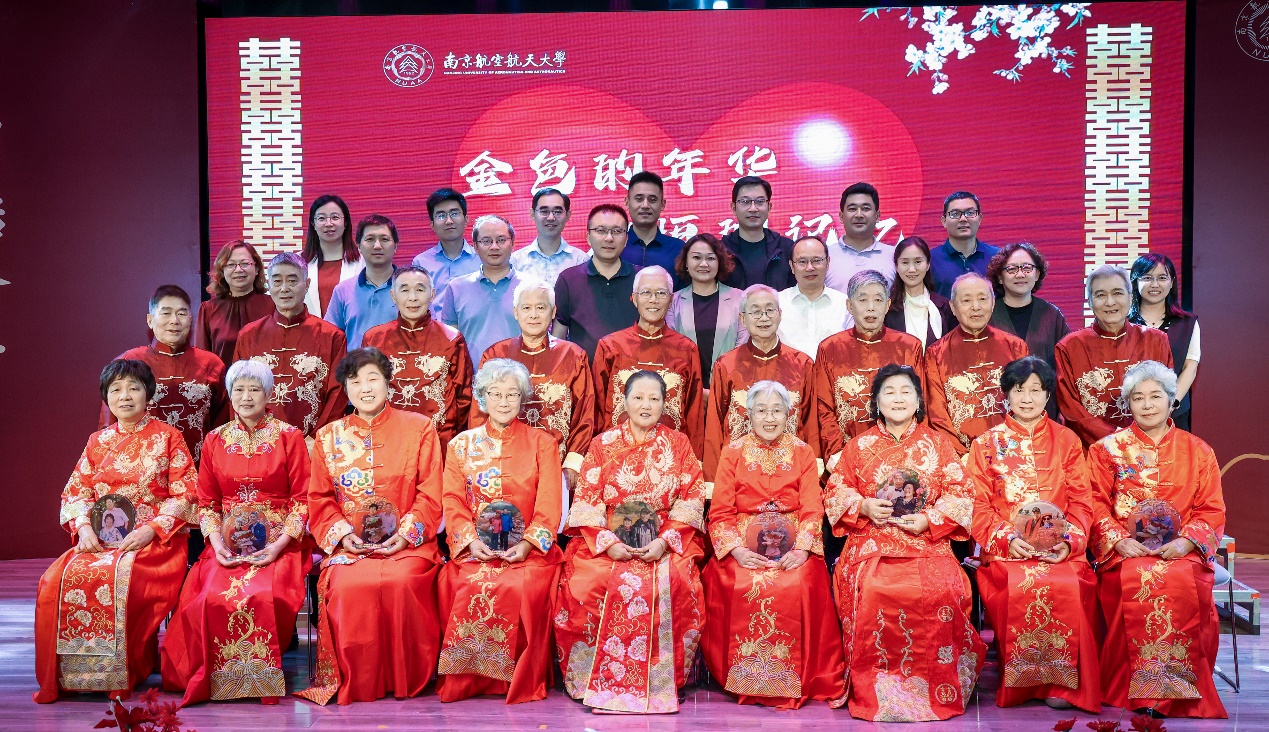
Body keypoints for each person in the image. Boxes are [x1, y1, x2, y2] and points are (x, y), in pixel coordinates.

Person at [824, 364, 984, 721]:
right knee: (874, 589)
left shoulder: (938, 444)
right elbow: (835, 491)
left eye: (905, 391)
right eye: (889, 392)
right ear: (877, 401)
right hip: (872, 539)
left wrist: (930, 519)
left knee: (942, 588)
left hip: (927, 541)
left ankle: (938, 685)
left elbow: (962, 492)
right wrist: (863, 506)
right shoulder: (858, 446)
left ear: (918, 400)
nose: (898, 399)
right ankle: (877, 687)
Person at [34, 360, 197, 703]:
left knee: (125, 580)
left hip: (153, 543)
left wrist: (152, 529)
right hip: (100, 540)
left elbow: (187, 494)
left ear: (148, 394)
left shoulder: (169, 437)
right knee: (53, 581)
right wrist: (83, 527)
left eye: (133, 388)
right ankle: (71, 677)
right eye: (116, 390)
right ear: (106, 397)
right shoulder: (97, 441)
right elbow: (76, 492)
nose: (125, 396)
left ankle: (128, 669)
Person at [299, 348, 445, 705]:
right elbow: (319, 499)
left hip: (408, 546)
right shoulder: (328, 437)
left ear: (388, 383)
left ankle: (406, 678)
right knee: (350, 587)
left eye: (372, 379)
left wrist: (406, 535)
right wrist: (344, 536)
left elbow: (431, 493)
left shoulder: (420, 428)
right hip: (352, 548)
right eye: (355, 381)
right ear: (346, 389)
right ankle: (360, 681)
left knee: (401, 582)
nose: (365, 388)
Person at [555, 371, 707, 713]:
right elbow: (587, 500)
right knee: (587, 581)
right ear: (624, 401)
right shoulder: (602, 444)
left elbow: (692, 498)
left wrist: (664, 542)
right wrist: (608, 542)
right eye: (638, 397)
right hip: (608, 539)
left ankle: (665, 678)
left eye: (654, 398)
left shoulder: (679, 443)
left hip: (665, 537)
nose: (645, 405)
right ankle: (589, 678)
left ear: (665, 404)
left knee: (678, 579)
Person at [161, 360, 311, 706]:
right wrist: (216, 545)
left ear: (268, 394)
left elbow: (303, 501)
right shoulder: (215, 440)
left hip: (279, 541)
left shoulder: (289, 437)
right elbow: (207, 504)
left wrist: (278, 546)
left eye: (254, 389)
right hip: (227, 542)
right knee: (208, 596)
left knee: (261, 593)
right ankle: (218, 677)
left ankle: (257, 677)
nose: (246, 397)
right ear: (229, 394)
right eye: (239, 389)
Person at [1087, 361, 1227, 718]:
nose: (1147, 405)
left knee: (1180, 579)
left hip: (1181, 551)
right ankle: (1135, 688)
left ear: (1171, 400)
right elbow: (1093, 504)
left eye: (1155, 396)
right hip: (1126, 551)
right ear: (1127, 404)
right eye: (1138, 398)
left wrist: (1187, 542)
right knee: (1134, 577)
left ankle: (1175, 689)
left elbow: (1211, 509)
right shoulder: (1105, 450)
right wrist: (1118, 540)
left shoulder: (1199, 450)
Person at [966, 357, 1100, 712]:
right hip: (1008, 550)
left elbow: (1082, 502)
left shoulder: (1067, 441)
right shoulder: (985, 444)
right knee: (1019, 582)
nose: (1027, 398)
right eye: (1019, 389)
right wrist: (1007, 539)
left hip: (1060, 549)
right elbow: (976, 505)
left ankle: (1062, 682)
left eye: (1036, 390)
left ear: (1048, 395)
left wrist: (1068, 543)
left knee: (1066, 582)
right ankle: (1025, 683)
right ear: (1006, 394)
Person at [702, 381, 845, 709]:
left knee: (802, 579)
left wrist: (802, 549)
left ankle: (800, 675)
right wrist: (737, 550)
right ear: (749, 414)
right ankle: (742, 674)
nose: (769, 418)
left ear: (788, 414)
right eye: (762, 411)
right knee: (731, 578)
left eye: (777, 410)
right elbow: (720, 511)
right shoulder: (733, 452)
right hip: (742, 542)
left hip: (793, 543)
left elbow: (812, 508)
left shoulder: (802, 452)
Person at [438, 359, 563, 703]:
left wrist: (527, 544)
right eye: (495, 393)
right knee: (459, 581)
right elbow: (452, 501)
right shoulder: (461, 445)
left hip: (528, 552)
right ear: (482, 397)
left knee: (519, 583)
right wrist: (469, 541)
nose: (504, 401)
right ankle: (470, 679)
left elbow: (549, 504)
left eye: (512, 394)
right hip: (476, 549)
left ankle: (511, 678)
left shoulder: (543, 443)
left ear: (522, 399)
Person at [471, 279, 595, 490]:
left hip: (557, 465)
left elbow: (585, 412)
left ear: (553, 312)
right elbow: (479, 411)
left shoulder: (573, 355)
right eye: (526, 308)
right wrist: (484, 457)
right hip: (502, 463)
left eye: (541, 307)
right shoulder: (496, 354)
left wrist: (573, 462)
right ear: (516, 312)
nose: (534, 315)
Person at [814, 270, 925, 471]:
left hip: (901, 458)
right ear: (849, 306)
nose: (871, 307)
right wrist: (837, 453)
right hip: (846, 457)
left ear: (888, 305)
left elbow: (920, 405)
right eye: (863, 300)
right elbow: (824, 409)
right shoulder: (829, 349)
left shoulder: (909, 347)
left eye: (878, 300)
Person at [104, 285, 227, 463]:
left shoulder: (211, 364)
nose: (174, 321)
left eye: (181, 313)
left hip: (197, 470)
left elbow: (222, 428)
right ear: (150, 320)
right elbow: (109, 427)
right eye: (166, 313)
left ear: (190, 319)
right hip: (140, 470)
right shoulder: (127, 363)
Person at [705, 285, 817, 482]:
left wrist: (811, 476)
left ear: (780, 315)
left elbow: (811, 425)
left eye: (770, 310)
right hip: (738, 474)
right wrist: (713, 481)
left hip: (789, 473)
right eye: (755, 312)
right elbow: (715, 426)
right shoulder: (726, 365)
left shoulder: (802, 364)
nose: (764, 318)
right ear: (742, 319)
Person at [592, 266, 706, 459]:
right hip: (617, 456)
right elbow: (596, 408)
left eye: (661, 293)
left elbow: (694, 414)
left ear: (671, 299)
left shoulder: (686, 349)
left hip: (670, 457)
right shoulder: (611, 346)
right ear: (634, 298)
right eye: (646, 293)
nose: (654, 300)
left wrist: (695, 460)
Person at [1056, 265, 1174, 447]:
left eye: (1118, 293)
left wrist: (1141, 439)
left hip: (1148, 447)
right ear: (1090, 302)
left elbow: (1166, 396)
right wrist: (1117, 439)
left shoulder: (1156, 340)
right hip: (1091, 451)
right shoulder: (1069, 347)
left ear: (1131, 297)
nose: (1110, 302)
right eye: (1100, 295)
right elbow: (1071, 408)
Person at [233, 252, 348, 438]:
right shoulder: (249, 335)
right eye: (277, 281)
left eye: (292, 281)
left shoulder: (332, 336)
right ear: (268, 285)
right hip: (259, 442)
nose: (284, 288)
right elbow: (237, 390)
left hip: (311, 443)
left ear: (307, 285)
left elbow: (338, 393)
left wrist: (317, 438)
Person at [362, 265, 472, 449]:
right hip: (387, 440)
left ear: (432, 294)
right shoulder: (374, 339)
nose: (412, 297)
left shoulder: (451, 338)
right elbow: (365, 391)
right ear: (393, 296)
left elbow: (464, 395)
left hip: (439, 441)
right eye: (404, 290)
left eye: (420, 290)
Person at [925, 273, 1030, 454]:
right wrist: (962, 456)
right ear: (953, 307)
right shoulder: (936, 354)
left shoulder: (1015, 347)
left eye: (982, 299)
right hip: (963, 458)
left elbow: (1029, 403)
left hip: (1014, 452)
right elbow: (937, 415)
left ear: (993, 303)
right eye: (966, 300)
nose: (976, 307)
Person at [986, 243, 1071, 419]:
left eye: (1027, 268)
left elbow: (1065, 368)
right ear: (1000, 277)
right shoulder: (987, 315)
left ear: (1037, 274)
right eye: (1011, 269)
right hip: (997, 411)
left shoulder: (1052, 315)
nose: (1020, 274)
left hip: (1045, 410)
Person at [554, 204, 642, 360]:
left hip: (635, 371)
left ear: (626, 239)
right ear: (588, 237)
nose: (609, 238)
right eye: (601, 231)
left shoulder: (642, 278)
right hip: (584, 372)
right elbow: (558, 337)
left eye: (617, 231)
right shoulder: (568, 279)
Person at [435, 214, 524, 368]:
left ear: (512, 243)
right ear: (475, 247)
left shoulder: (531, 286)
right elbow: (450, 344)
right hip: (472, 379)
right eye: (486, 241)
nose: (494, 247)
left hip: (522, 378)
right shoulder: (456, 288)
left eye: (501, 240)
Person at [1129, 253, 1200, 432]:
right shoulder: (1123, 323)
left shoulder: (1187, 323)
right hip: (1129, 414)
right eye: (1147, 278)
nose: (1155, 284)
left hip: (1174, 414)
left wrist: (1170, 404)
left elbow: (1190, 367)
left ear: (1172, 282)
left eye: (1162, 278)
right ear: (1135, 282)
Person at [666, 233, 748, 388]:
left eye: (710, 258)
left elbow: (743, 348)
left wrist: (720, 389)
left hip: (730, 387)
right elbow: (671, 351)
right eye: (696, 257)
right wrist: (698, 390)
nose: (704, 264)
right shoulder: (672, 302)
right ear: (686, 262)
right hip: (687, 389)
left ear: (719, 262)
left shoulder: (739, 298)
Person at [323, 214, 400, 349]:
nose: (377, 246)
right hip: (355, 362)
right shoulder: (343, 290)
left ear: (395, 246)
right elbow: (330, 339)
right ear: (358, 246)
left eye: (384, 239)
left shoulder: (411, 288)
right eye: (370, 239)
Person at [196, 240, 274, 365]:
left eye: (245, 264)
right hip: (223, 378)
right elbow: (202, 359)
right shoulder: (208, 309)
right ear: (222, 271)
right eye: (231, 265)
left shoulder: (273, 306)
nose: (238, 270)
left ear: (257, 268)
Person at [776, 235, 851, 359]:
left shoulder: (845, 304)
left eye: (816, 261)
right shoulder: (777, 303)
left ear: (828, 263)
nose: (810, 267)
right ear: (792, 266)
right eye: (802, 262)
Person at [719, 176, 795, 290]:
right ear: (734, 208)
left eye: (760, 201)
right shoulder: (721, 250)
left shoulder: (786, 248)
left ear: (769, 207)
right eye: (745, 202)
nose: (753, 209)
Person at [883, 236, 955, 349]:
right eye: (905, 262)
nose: (912, 269)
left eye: (918, 262)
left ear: (928, 264)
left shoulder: (945, 308)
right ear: (896, 266)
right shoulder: (887, 309)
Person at [509, 187, 589, 286]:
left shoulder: (581, 261)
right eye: (544, 211)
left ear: (568, 215)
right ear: (532, 214)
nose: (551, 218)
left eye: (557, 212)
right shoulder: (515, 262)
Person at [411, 188, 480, 302]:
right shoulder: (421, 263)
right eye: (441, 216)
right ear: (432, 225)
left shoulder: (481, 259)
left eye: (454, 214)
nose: (449, 221)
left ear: (466, 220)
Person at [302, 194, 364, 317]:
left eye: (335, 217)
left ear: (345, 222)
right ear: (313, 224)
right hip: (309, 328)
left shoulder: (363, 260)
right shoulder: (298, 262)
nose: (328, 223)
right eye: (321, 218)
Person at [825, 182, 895, 291]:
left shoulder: (894, 256)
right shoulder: (825, 257)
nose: (859, 215)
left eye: (865, 208)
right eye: (852, 209)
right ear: (841, 216)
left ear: (877, 216)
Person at [930, 191, 999, 298]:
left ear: (980, 218)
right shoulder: (930, 260)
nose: (963, 219)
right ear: (944, 221)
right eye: (955, 214)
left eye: (970, 213)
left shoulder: (997, 257)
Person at [622, 171, 685, 288]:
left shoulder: (679, 249)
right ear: (627, 202)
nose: (645, 205)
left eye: (652, 200)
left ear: (662, 204)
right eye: (639, 199)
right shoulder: (615, 246)